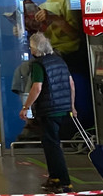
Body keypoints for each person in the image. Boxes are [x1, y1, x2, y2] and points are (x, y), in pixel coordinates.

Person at [20, 33, 76, 194]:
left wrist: (26, 107)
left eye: (31, 46)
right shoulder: (59, 61)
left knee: (52, 146)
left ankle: (64, 181)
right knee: (50, 144)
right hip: (63, 108)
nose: (30, 49)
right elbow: (71, 84)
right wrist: (72, 106)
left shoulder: (39, 64)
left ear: (36, 48)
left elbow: (37, 87)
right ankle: (54, 177)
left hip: (49, 109)